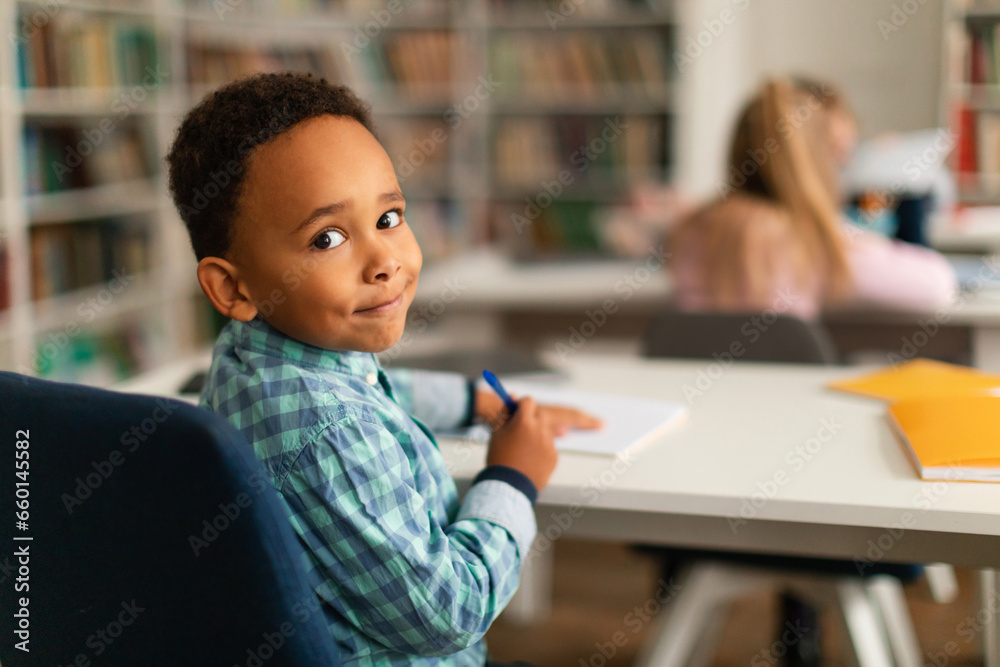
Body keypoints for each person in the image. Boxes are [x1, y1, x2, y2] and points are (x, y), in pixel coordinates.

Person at [165, 72, 600, 667]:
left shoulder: (255, 356)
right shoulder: (330, 432)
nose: (383, 262)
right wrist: (513, 478)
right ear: (231, 286)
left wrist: (476, 403)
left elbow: (373, 388)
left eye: (390, 218)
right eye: (328, 238)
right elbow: (448, 615)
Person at [669, 77, 957, 320]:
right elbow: (937, 286)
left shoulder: (693, 227)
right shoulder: (810, 238)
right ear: (816, 162)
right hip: (783, 383)